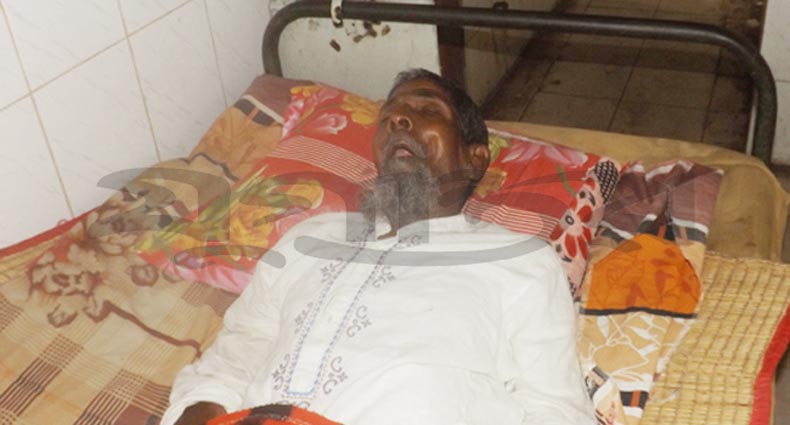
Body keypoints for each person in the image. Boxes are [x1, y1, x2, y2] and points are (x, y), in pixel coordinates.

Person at [162, 69, 594, 425]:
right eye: (390, 114)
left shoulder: (519, 261)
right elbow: (238, 349)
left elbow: (556, 410)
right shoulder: (311, 237)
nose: (398, 119)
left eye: (427, 110)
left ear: (475, 157)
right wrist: (197, 412)